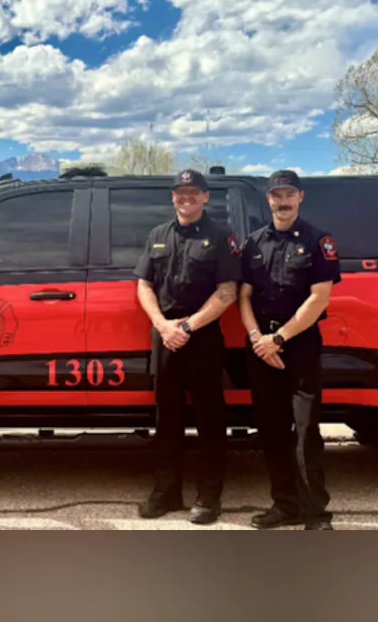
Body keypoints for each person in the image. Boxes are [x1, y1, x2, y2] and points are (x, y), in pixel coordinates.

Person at [134, 169, 242, 523]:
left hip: (203, 336)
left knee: (210, 420)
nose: (186, 197)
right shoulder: (157, 235)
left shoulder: (220, 236)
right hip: (165, 336)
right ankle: (166, 493)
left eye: (193, 192)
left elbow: (228, 291)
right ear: (173, 197)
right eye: (180, 192)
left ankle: (209, 498)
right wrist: (163, 325)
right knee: (167, 420)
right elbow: (144, 285)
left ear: (205, 196)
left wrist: (187, 326)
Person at [238, 170, 341, 531]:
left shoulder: (318, 241)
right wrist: (256, 338)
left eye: (288, 195)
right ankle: (285, 505)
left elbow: (319, 298)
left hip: (298, 346)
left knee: (306, 430)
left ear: (300, 197)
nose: (282, 202)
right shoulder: (253, 243)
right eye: (276, 196)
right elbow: (244, 296)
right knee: (271, 429)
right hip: (261, 347)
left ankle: (316, 514)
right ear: (268, 199)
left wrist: (278, 338)